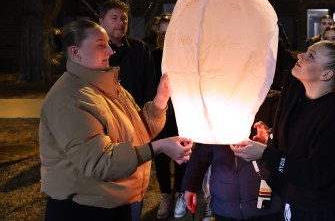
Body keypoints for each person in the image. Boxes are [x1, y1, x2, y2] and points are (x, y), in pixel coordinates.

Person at [40, 20, 193, 221]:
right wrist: (158, 147)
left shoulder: (106, 87)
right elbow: (100, 163)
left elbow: (139, 131)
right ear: (76, 52)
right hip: (85, 210)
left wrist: (161, 98)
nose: (110, 51)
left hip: (117, 202)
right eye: (101, 45)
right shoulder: (70, 99)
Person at [231, 40, 335, 220]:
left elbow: (316, 174)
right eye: (306, 51)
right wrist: (269, 143)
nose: (300, 56)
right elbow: (271, 47)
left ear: (326, 74)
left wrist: (266, 153)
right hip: (292, 202)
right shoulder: (296, 90)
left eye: (311, 56)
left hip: (320, 212)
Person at [182, 90, 283, 221]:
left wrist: (268, 139)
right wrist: (190, 185)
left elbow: (289, 143)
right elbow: (202, 152)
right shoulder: (214, 105)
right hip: (224, 205)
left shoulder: (271, 101)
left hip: (266, 204)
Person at [151, 14, 188, 219]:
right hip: (161, 113)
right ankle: (166, 194)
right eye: (162, 32)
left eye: (170, 32)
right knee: (162, 158)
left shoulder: (186, 55)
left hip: (182, 113)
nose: (166, 37)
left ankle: (181, 193)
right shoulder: (154, 56)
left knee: (183, 154)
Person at [99, 0, 157, 107]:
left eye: (124, 18)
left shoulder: (140, 48)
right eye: (114, 18)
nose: (120, 22)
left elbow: (150, 85)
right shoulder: (95, 49)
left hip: (137, 112)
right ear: (101, 22)